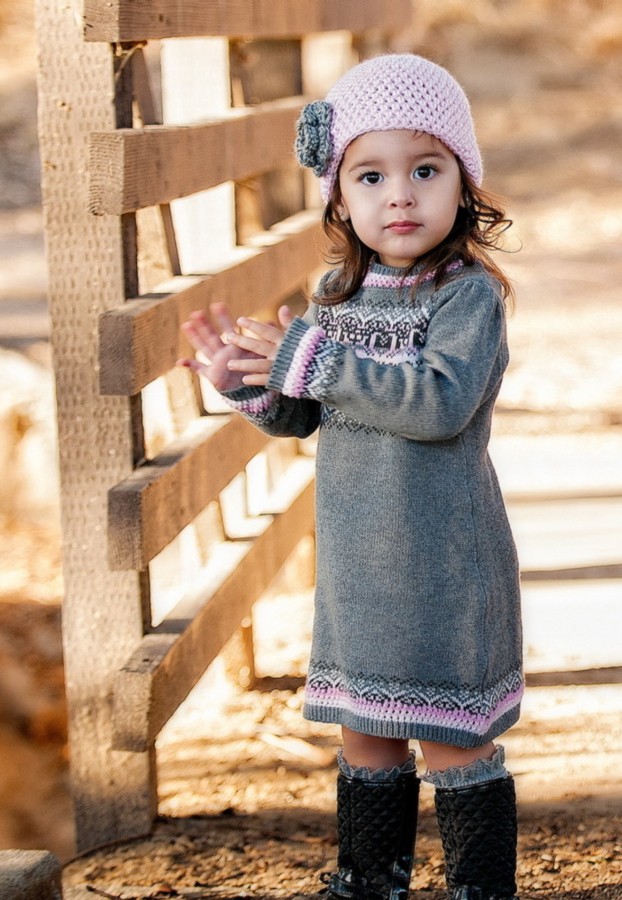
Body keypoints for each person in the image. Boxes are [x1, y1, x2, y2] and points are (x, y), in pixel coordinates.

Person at [177, 54, 522, 900]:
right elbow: (311, 409)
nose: (399, 195)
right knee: (367, 738)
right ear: (341, 198)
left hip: (442, 567)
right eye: (371, 175)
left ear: (464, 184)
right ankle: (371, 884)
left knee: (450, 740)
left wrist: (311, 357)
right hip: (362, 574)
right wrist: (248, 385)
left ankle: (481, 888)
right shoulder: (338, 295)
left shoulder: (464, 298)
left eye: (425, 170)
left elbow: (437, 403)